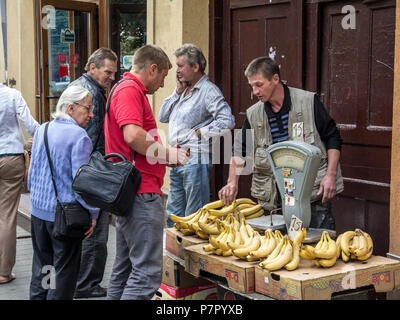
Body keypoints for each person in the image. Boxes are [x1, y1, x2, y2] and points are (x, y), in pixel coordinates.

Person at [218, 56, 344, 230]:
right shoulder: (253, 114)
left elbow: (333, 137)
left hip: (312, 198)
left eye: (259, 85)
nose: (255, 91)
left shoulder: (308, 101)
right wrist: (232, 182)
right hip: (275, 202)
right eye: (252, 86)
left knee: (315, 248)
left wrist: (330, 175)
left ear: (275, 79)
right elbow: (239, 149)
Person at [105, 44, 189, 300]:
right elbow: (133, 136)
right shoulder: (131, 90)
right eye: (164, 75)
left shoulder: (123, 88)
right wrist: (168, 155)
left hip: (131, 193)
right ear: (153, 69)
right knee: (147, 274)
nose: (163, 83)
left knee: (125, 268)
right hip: (141, 194)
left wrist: (163, 157)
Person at [28, 86, 99, 300]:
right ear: (70, 108)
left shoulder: (43, 129)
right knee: (64, 274)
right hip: (64, 218)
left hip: (39, 213)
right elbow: (82, 184)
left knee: (44, 268)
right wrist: (93, 214)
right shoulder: (79, 136)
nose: (91, 114)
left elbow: (31, 174)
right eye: (88, 108)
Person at [159, 43, 235, 228]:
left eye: (181, 65)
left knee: (194, 215)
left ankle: (191, 255)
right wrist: (176, 92)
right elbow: (163, 116)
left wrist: (201, 132)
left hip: (196, 158)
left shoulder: (208, 91)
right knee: (174, 215)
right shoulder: (182, 90)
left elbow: (228, 120)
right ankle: (173, 255)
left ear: (195, 67)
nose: (177, 70)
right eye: (176, 65)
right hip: (178, 158)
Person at [69, 47, 118, 299]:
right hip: (92, 172)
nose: (112, 77)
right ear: (92, 68)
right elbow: (92, 138)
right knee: (95, 233)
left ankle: (80, 282)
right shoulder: (92, 94)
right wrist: (101, 173)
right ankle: (87, 285)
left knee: (86, 232)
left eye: (114, 73)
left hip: (80, 171)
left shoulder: (79, 87)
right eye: (107, 72)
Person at [0, 84, 39, 285]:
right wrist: (46, 135)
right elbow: (30, 124)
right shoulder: (12, 95)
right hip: (10, 157)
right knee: (6, 216)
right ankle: (4, 272)